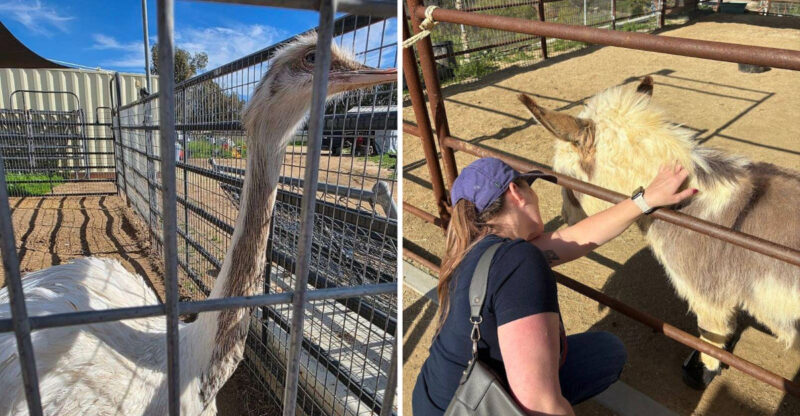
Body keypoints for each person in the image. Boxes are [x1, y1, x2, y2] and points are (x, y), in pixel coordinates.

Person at [412, 157, 698, 415]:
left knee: (605, 352)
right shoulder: (519, 261)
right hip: (467, 408)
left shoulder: (471, 252)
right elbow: (539, 404)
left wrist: (644, 200)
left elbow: (576, 238)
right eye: (530, 187)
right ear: (515, 193)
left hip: (434, 398)